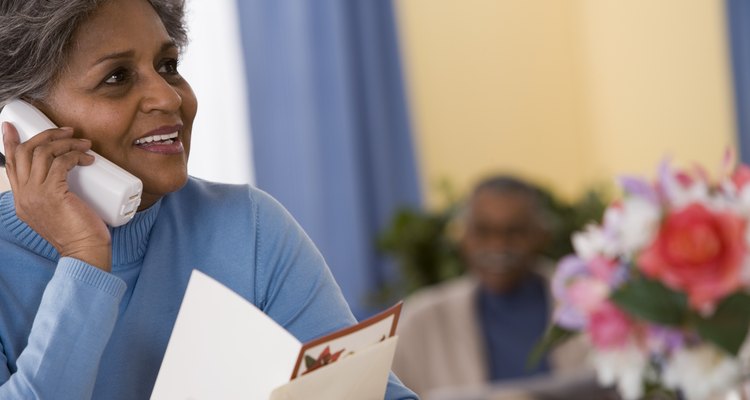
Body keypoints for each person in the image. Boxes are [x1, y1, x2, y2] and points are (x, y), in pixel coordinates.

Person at [0, 0, 417, 399]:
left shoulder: (249, 228)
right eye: (117, 77)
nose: (169, 98)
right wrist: (84, 258)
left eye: (168, 66)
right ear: (24, 123)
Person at [391, 175, 589, 398]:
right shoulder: (422, 320)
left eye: (514, 232)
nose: (498, 245)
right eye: (482, 232)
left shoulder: (589, 303)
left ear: (541, 235)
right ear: (463, 237)